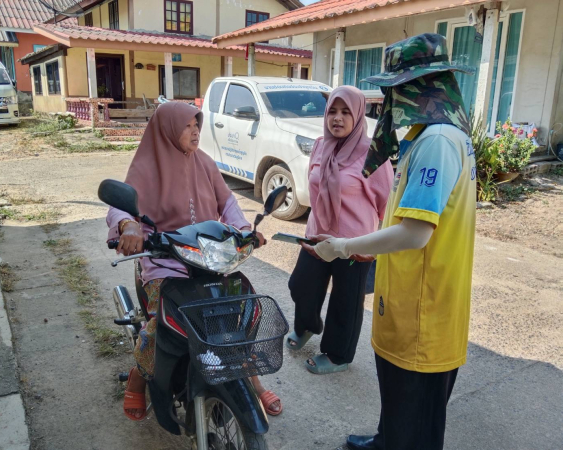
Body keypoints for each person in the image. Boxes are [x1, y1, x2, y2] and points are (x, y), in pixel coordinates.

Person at [312, 33, 476, 450]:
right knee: (398, 402)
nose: (390, 99)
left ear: (425, 88)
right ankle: (387, 440)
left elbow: (417, 232)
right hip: (408, 300)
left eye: (397, 88)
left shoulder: (438, 142)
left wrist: (344, 246)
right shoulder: (427, 135)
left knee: (416, 418)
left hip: (425, 308)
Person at [106, 102, 283, 421]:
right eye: (187, 125)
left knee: (237, 314)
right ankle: (138, 374)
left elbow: (227, 202)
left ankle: (249, 378)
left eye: (197, 124)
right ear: (169, 130)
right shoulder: (147, 166)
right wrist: (129, 226)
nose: (195, 130)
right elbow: (122, 206)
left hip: (210, 259)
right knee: (160, 326)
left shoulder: (205, 162)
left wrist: (244, 231)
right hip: (164, 263)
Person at [286, 86, 393, 374]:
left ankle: (338, 355)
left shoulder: (373, 153)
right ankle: (307, 326)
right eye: (333, 110)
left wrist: (365, 229)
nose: (338, 118)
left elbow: (386, 199)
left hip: (354, 240)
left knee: (346, 302)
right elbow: (314, 183)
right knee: (301, 286)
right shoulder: (321, 144)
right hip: (318, 234)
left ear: (358, 114)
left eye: (346, 112)